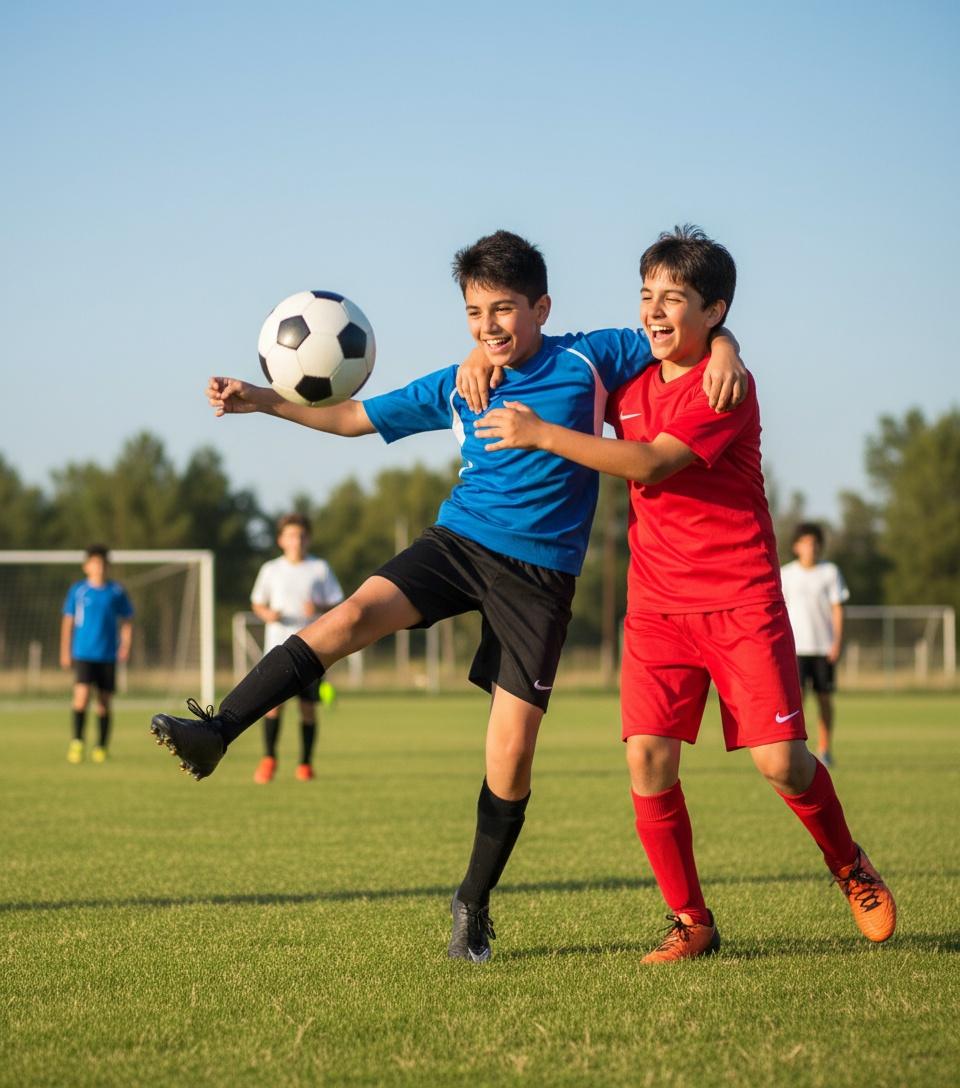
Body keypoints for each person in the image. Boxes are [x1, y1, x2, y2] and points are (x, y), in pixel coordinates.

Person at [149, 229, 745, 963]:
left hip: (540, 579)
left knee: (511, 752)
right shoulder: (462, 381)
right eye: (473, 314)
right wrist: (264, 401)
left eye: (503, 311)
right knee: (350, 617)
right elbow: (352, 419)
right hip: (458, 544)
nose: (488, 328)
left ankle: (473, 901)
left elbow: (675, 334)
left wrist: (727, 350)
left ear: (541, 307)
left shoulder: (592, 356)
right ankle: (218, 730)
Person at [473, 225, 896, 961]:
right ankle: (691, 921)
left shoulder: (725, 383)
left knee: (781, 763)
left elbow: (648, 462)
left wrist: (543, 435)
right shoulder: (628, 380)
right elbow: (541, 348)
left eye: (675, 299)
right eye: (647, 297)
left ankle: (850, 864)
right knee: (646, 760)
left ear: (715, 310)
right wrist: (482, 349)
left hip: (739, 599)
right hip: (658, 608)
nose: (655, 312)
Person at [249, 513, 344, 783]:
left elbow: (338, 603)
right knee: (273, 707)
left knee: (308, 709)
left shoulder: (320, 569)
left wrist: (319, 608)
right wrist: (267, 614)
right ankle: (269, 759)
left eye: (301, 536)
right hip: (277, 649)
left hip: (312, 649)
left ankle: (305, 764)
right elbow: (257, 602)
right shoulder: (271, 569)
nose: (297, 541)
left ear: (309, 539)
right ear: (281, 540)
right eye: (291, 535)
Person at [780, 522, 850, 767]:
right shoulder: (786, 574)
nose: (811, 547)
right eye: (806, 543)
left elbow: (837, 608)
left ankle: (825, 748)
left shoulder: (830, 572)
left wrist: (837, 642)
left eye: (814, 543)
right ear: (796, 546)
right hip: (795, 649)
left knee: (824, 699)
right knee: (796, 703)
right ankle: (800, 750)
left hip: (823, 648)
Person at [60, 545, 134, 764]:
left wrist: (125, 645)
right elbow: (67, 621)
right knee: (81, 698)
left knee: (104, 702)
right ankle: (77, 742)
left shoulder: (116, 591)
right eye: (94, 563)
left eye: (102, 564)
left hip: (108, 655)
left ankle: (101, 746)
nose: (99, 567)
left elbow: (127, 619)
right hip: (83, 653)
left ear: (108, 567)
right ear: (86, 566)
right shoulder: (78, 591)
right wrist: (65, 650)